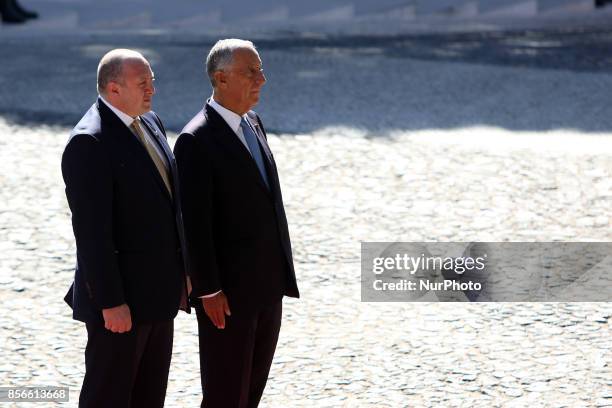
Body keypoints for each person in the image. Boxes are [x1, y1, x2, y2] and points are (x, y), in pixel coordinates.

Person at [174, 39, 299, 408]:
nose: (262, 78)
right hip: (227, 296)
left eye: (260, 69)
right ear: (221, 78)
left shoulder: (254, 123)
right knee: (226, 392)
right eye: (251, 72)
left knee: (252, 390)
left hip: (267, 286)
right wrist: (209, 290)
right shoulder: (195, 139)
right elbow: (194, 224)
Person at [61, 48, 190, 408]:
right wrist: (111, 302)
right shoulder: (89, 142)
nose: (151, 90)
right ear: (113, 89)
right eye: (142, 83)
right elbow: (92, 235)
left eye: (152, 82)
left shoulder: (149, 122)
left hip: (159, 296)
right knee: (109, 396)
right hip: (121, 305)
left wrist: (184, 272)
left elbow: (170, 208)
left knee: (149, 397)